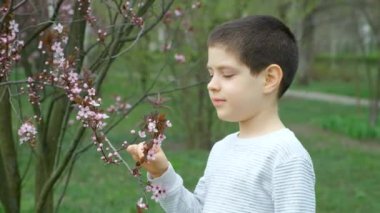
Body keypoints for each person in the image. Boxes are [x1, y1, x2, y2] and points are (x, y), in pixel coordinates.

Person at [127, 15, 316, 213]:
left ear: (269, 79)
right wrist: (162, 174)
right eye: (211, 74)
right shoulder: (222, 148)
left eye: (227, 75)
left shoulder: (287, 157)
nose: (212, 85)